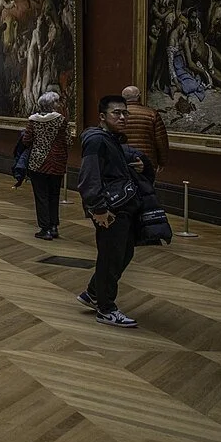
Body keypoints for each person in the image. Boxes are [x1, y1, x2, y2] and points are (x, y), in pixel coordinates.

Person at [75, 94, 144, 328]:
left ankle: (93, 293)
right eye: (117, 113)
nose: (123, 117)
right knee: (111, 257)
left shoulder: (111, 139)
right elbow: (88, 177)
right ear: (102, 117)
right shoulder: (96, 140)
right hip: (109, 209)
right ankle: (106, 309)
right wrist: (99, 209)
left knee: (123, 254)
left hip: (119, 206)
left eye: (125, 113)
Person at [20, 91, 72, 240]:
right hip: (57, 162)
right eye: (57, 102)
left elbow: (26, 140)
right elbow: (68, 141)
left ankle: (45, 228)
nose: (59, 104)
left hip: (37, 162)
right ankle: (54, 226)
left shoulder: (33, 121)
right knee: (54, 195)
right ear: (53, 104)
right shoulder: (61, 121)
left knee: (41, 196)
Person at [122, 85, 169, 174]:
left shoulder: (116, 117)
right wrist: (162, 162)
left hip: (123, 159)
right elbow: (161, 141)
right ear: (139, 96)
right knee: (146, 187)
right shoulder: (151, 114)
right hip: (147, 160)